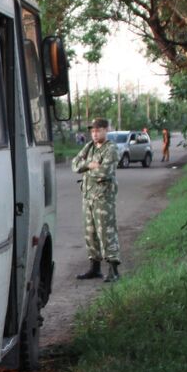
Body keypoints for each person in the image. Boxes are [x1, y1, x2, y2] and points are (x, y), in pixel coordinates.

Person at [72, 117, 121, 282]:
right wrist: (89, 165)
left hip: (103, 198)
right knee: (90, 233)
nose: (95, 133)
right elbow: (75, 164)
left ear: (106, 130)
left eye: (98, 130)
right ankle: (95, 267)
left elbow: (104, 172)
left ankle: (113, 269)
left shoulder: (111, 149)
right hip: (88, 197)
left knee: (106, 232)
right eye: (92, 131)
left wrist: (87, 170)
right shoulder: (89, 147)